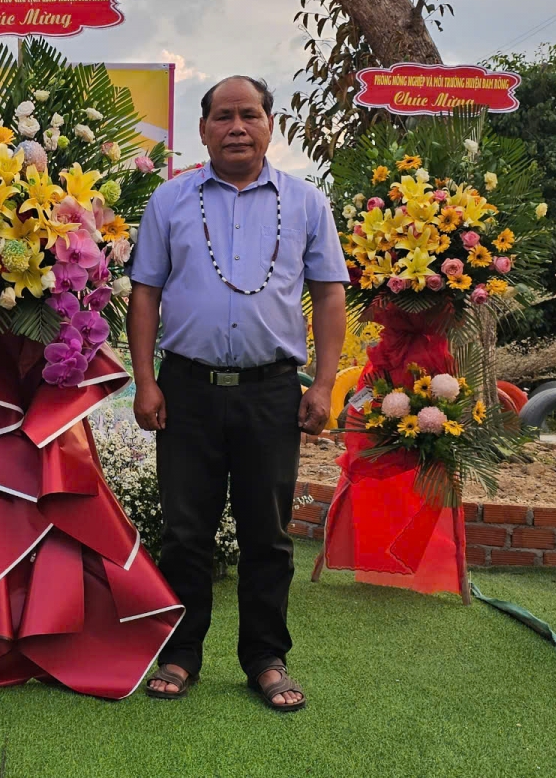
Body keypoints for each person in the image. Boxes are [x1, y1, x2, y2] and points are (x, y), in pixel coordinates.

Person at [127, 76, 347, 712]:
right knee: (185, 531)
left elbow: (330, 292)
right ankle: (180, 651)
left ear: (270, 125)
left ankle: (265, 657)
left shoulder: (306, 203)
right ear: (203, 129)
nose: (236, 127)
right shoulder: (170, 201)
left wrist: (325, 383)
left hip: (271, 392)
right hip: (187, 390)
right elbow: (145, 292)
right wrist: (146, 380)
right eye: (222, 116)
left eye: (249, 115)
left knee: (268, 534)